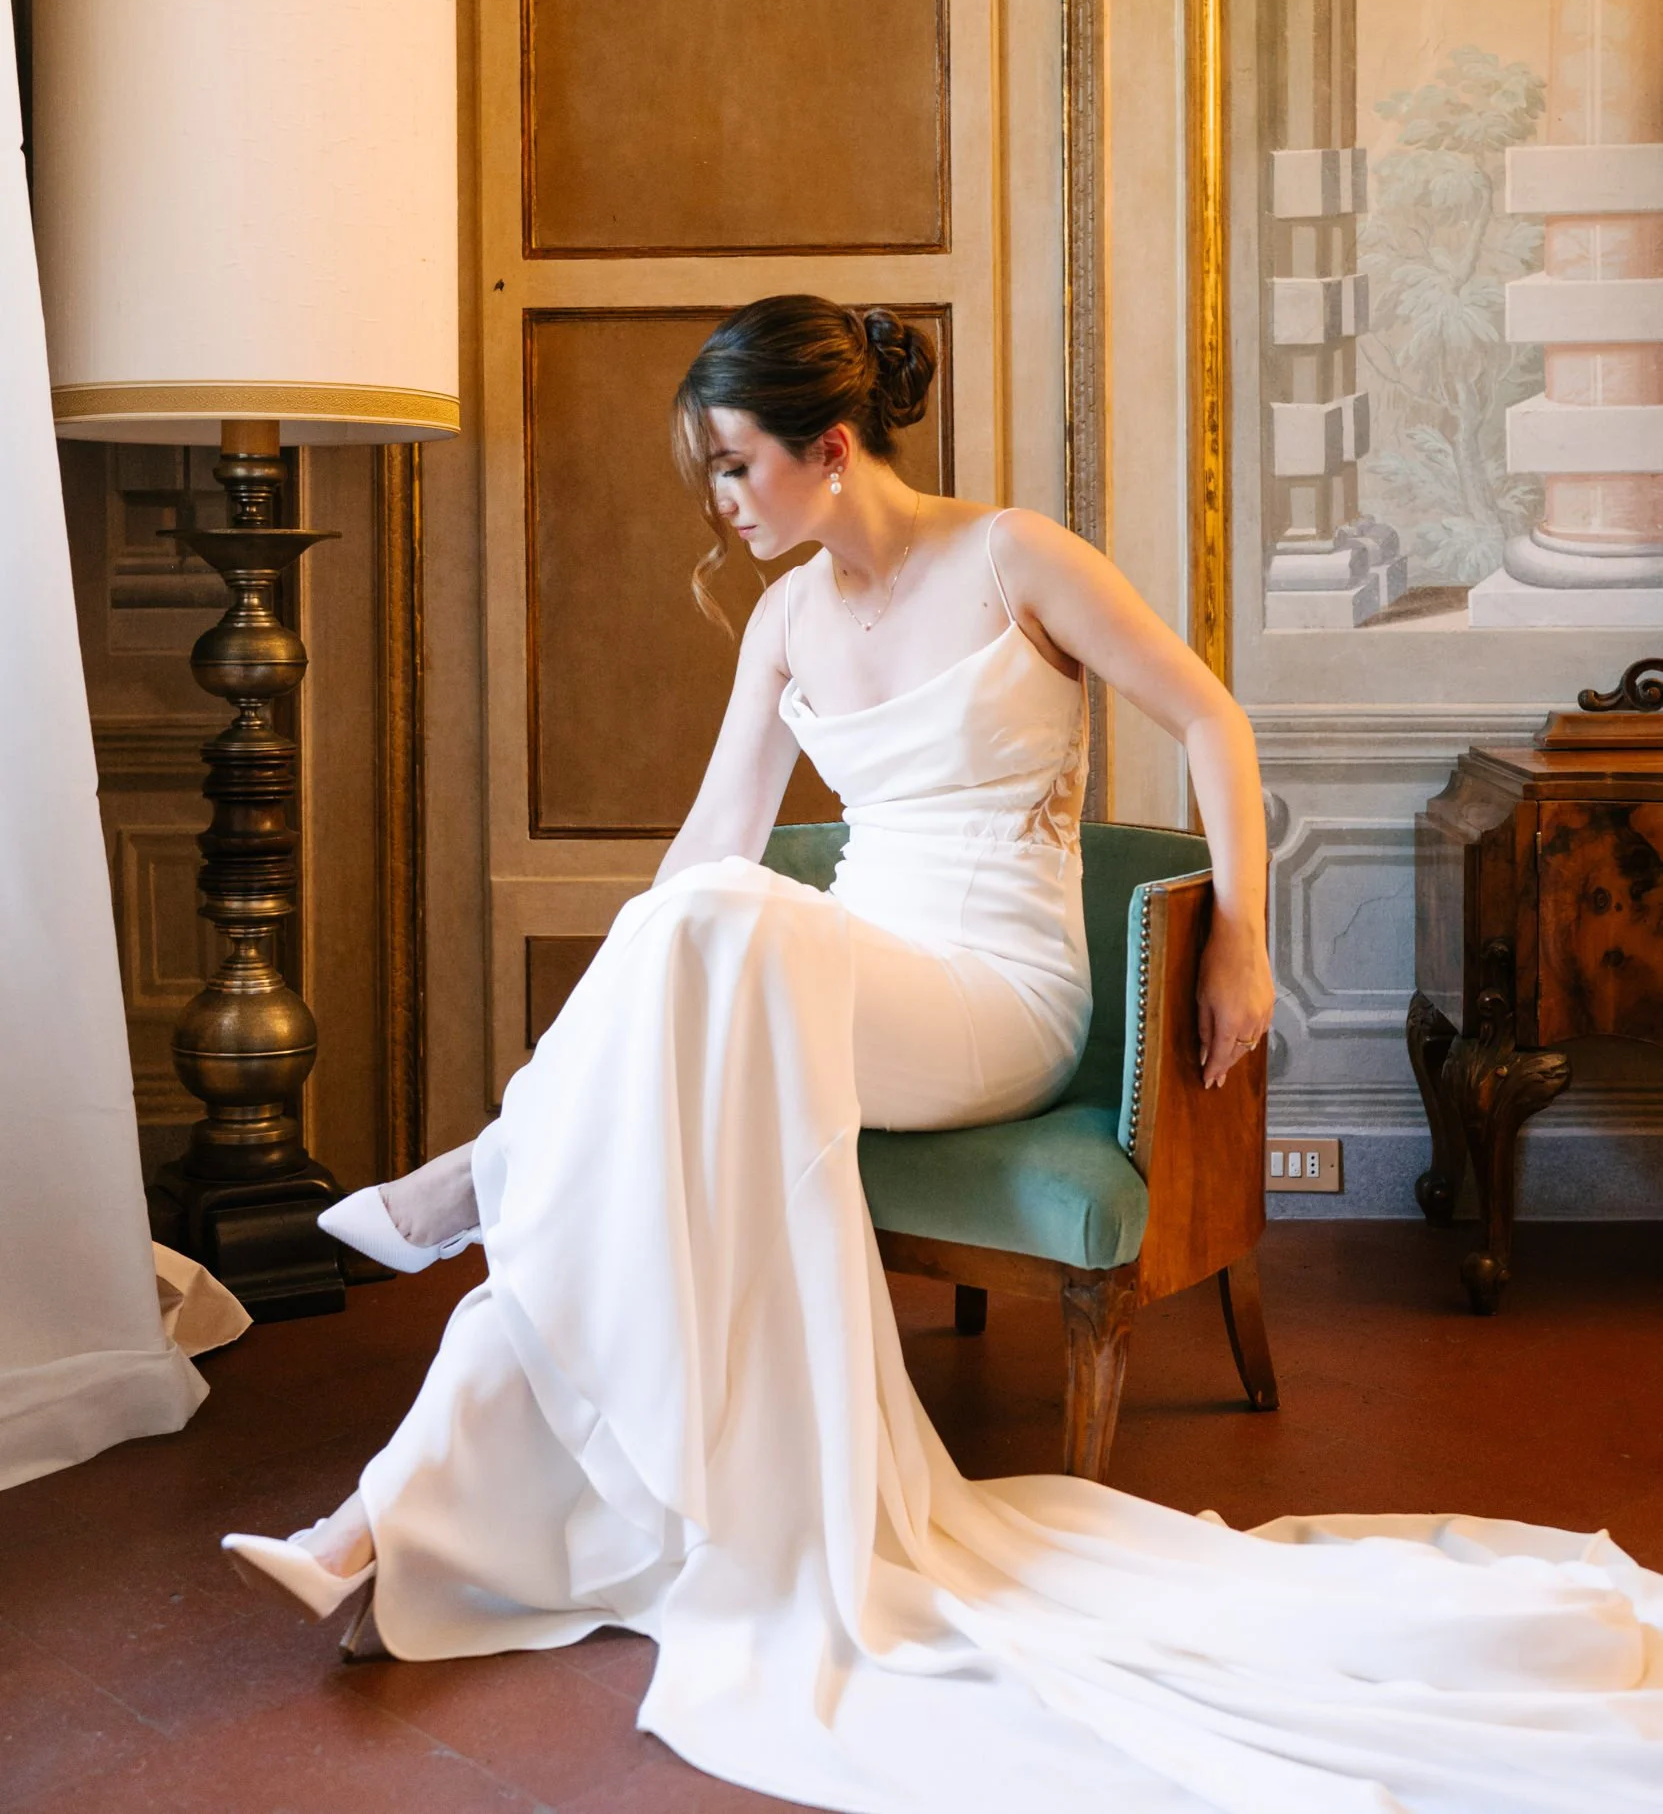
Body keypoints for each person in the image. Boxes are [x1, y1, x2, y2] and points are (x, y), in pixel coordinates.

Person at [223, 297, 1663, 1813]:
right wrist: (617, 1038)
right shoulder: (786, 621)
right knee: (670, 1011)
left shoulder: (1013, 560)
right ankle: (377, 1524)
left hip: (994, 1001)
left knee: (719, 939)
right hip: (841, 972)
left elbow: (1211, 722)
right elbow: (710, 843)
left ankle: (484, 1177)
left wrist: (1241, 940)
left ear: (832, 446)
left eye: (735, 466)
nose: (720, 503)